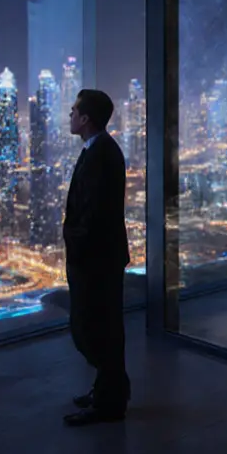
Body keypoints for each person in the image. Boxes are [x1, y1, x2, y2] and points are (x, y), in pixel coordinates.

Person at [62, 89, 131, 425]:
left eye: (74, 110)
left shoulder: (101, 153)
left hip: (96, 261)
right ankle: (109, 393)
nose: (70, 115)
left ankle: (110, 400)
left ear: (86, 118)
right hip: (99, 258)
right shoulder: (98, 149)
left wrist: (75, 246)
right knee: (101, 329)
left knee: (93, 330)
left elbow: (93, 214)